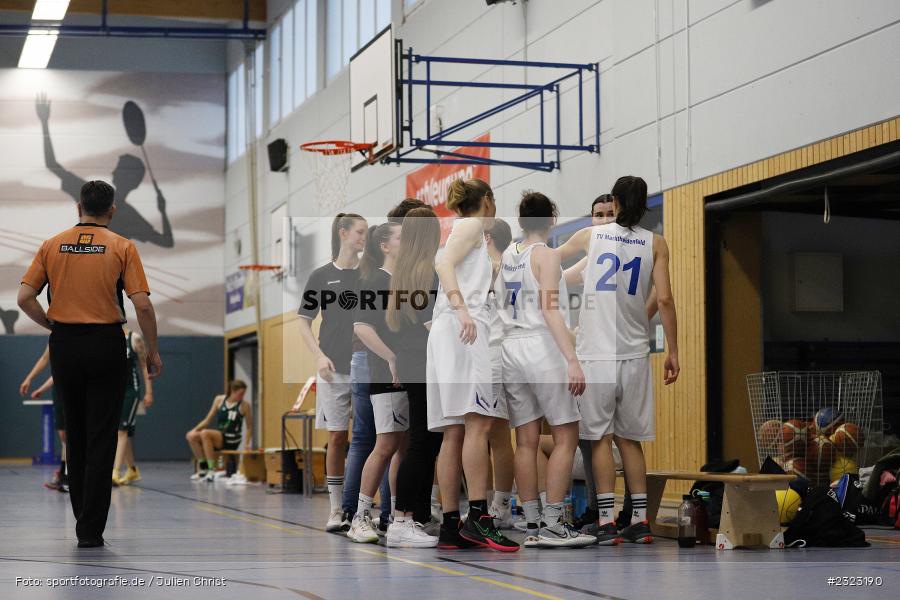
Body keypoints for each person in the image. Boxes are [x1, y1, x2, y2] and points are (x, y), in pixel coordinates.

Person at [18, 179, 162, 548]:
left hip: (65, 345)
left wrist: (52, 323)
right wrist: (154, 351)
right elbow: (142, 304)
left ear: (77, 208)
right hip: (105, 346)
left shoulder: (51, 245)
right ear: (112, 210)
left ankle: (82, 516)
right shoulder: (122, 246)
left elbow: (24, 298)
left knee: (77, 436)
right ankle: (90, 529)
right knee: (101, 435)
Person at [557, 175, 680, 545]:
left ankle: (607, 519)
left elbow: (548, 259)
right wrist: (673, 351)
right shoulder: (656, 242)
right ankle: (640, 520)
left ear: (617, 203)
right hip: (635, 355)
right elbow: (666, 300)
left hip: (595, 354)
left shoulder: (591, 236)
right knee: (631, 440)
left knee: (599, 440)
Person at [497, 191, 594, 548]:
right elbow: (550, 309)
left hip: (511, 347)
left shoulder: (509, 254)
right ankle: (556, 523)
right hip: (541, 346)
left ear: (521, 222)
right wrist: (571, 358)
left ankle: (535, 522)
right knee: (567, 435)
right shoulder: (547, 255)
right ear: (551, 220)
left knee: (525, 440)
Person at [427, 178, 518, 552]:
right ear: (487, 200)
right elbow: (442, 262)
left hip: (449, 332)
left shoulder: (471, 236)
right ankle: (478, 516)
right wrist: (461, 307)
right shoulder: (471, 226)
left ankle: (452, 524)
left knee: (455, 431)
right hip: (464, 328)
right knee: (478, 424)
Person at [298, 213, 368, 531]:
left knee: (374, 438)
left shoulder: (371, 274)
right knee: (338, 436)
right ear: (343, 234)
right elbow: (303, 321)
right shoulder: (322, 276)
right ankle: (336, 509)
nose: (364, 237)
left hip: (368, 367)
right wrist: (319, 356)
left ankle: (366, 507)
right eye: (360, 232)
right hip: (334, 369)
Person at [35, 94, 173, 247]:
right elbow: (166, 241)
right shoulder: (132, 216)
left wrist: (44, 122)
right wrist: (163, 211)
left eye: (118, 169)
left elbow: (51, 164)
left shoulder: (92, 196)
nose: (113, 172)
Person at [348, 222, 411, 543]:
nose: (408, 240)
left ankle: (395, 517)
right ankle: (359, 517)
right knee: (385, 445)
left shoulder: (404, 282)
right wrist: (391, 358)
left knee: (402, 447)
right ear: (385, 246)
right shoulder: (376, 280)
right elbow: (362, 327)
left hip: (408, 377)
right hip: (386, 376)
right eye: (401, 237)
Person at [385, 207, 443, 548]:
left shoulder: (403, 270)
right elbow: (430, 324)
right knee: (422, 442)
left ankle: (418, 515)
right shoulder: (426, 271)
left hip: (412, 361)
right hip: (423, 362)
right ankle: (402, 519)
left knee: (428, 441)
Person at [483, 219, 516, 528]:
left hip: (495, 357)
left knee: (494, 435)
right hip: (504, 356)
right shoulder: (513, 265)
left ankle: (499, 506)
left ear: (487, 236)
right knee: (497, 436)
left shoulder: (494, 267)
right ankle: (498, 504)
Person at [20, 345, 68, 492]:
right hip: (58, 391)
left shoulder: (77, 337)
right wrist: (30, 379)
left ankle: (66, 477)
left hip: (73, 389)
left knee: (71, 436)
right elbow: (45, 359)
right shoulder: (55, 339)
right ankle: (63, 474)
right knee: (64, 436)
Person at [185, 380, 253, 480]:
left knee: (205, 433)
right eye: (241, 394)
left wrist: (247, 444)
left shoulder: (244, 405)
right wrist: (193, 430)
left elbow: (250, 427)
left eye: (244, 394)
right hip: (220, 436)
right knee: (192, 436)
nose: (242, 396)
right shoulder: (219, 400)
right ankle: (203, 468)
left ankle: (211, 470)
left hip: (232, 439)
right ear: (233, 391)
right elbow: (207, 420)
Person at [112, 326, 153, 486]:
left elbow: (144, 365)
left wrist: (149, 392)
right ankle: (132, 469)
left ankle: (115, 472)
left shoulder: (134, 338)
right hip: (115, 392)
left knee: (121, 431)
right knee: (125, 432)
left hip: (130, 390)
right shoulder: (108, 338)